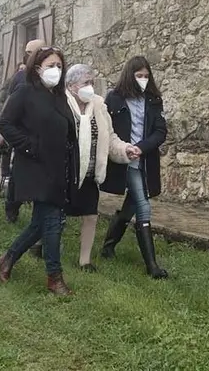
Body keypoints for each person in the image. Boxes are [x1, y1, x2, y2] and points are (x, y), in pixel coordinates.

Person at [0, 47, 78, 295]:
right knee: (52, 222)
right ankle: (54, 277)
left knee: (40, 224)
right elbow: (5, 123)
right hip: (34, 167)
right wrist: (29, 146)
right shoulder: (25, 92)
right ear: (37, 67)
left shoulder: (60, 96)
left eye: (60, 66)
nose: (56, 70)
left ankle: (8, 257)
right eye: (51, 65)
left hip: (57, 168)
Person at [99, 56, 169, 279]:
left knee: (131, 205)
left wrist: (142, 147)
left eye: (147, 76)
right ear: (130, 75)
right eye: (139, 76)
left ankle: (108, 245)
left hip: (145, 161)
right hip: (124, 161)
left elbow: (160, 131)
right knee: (142, 203)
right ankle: (152, 266)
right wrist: (125, 149)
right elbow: (107, 130)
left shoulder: (153, 100)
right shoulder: (114, 99)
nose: (143, 80)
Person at [63, 64, 132, 272]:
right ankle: (43, 246)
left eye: (92, 82)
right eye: (86, 82)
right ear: (71, 85)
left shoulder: (99, 106)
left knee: (91, 215)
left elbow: (110, 138)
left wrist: (126, 149)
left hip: (91, 172)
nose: (90, 87)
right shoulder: (60, 104)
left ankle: (85, 261)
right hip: (65, 171)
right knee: (56, 216)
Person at [0, 39, 46, 223]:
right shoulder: (19, 77)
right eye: (28, 52)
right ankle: (12, 208)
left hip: (43, 133)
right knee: (19, 173)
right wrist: (4, 134)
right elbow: (9, 103)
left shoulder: (52, 76)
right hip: (21, 133)